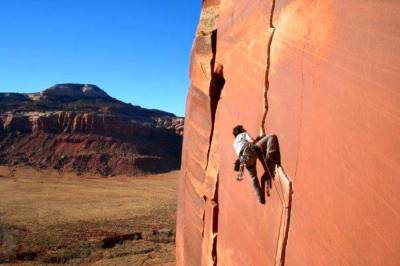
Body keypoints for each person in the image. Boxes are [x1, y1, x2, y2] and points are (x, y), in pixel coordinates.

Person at [233, 125, 279, 204]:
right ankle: (269, 153)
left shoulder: (234, 144)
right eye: (243, 129)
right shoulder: (243, 134)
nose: (245, 129)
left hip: (245, 160)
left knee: (253, 177)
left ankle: (260, 196)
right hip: (251, 150)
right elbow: (252, 141)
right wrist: (260, 138)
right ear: (240, 130)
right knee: (272, 136)